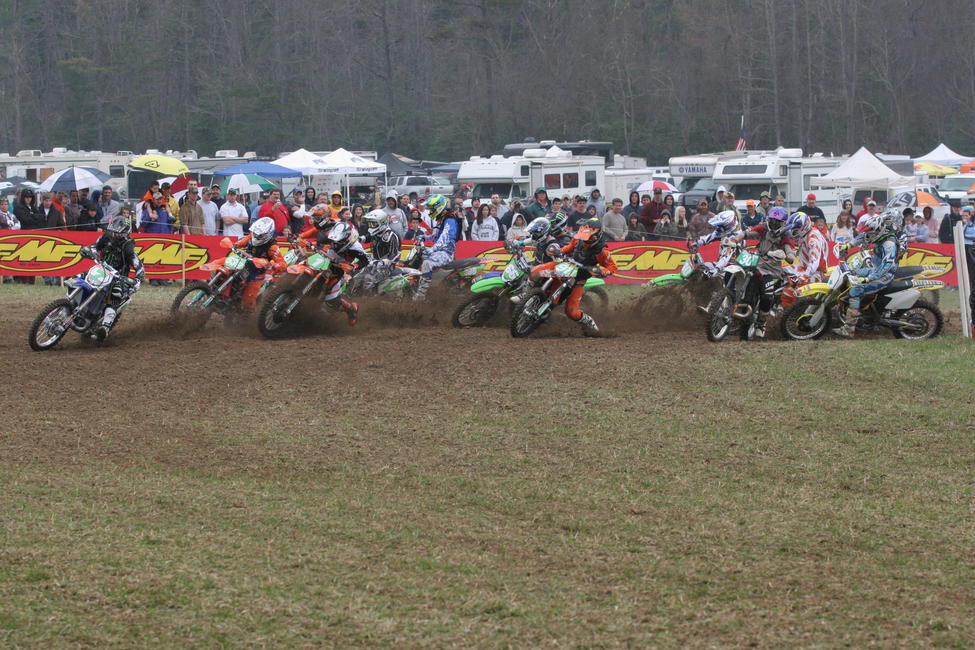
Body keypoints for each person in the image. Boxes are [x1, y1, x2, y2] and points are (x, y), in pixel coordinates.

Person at [529, 217, 617, 335]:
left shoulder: (601, 251)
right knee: (535, 271)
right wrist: (559, 251)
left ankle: (589, 323)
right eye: (585, 237)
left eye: (590, 237)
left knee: (572, 312)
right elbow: (568, 248)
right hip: (566, 266)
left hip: (579, 278)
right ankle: (525, 296)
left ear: (597, 235)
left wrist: (600, 271)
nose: (586, 240)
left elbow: (612, 268)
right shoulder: (578, 239)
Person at [833, 212, 899, 338]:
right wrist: (848, 245)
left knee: (856, 289)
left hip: (883, 275)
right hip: (874, 268)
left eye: (872, 231)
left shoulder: (889, 245)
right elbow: (863, 236)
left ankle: (849, 328)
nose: (870, 233)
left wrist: (868, 279)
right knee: (848, 274)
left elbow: (886, 266)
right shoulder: (878, 234)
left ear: (880, 229)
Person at [736, 207, 796, 338]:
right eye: (772, 221)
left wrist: (786, 255)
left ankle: (761, 323)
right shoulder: (763, 227)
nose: (773, 224)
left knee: (766, 298)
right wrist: (734, 240)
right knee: (747, 295)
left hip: (772, 271)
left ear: (783, 223)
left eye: (777, 222)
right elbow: (746, 233)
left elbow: (791, 253)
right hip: (756, 266)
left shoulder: (786, 235)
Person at [87, 216, 145, 340]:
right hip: (102, 270)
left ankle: (105, 327)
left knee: (116, 293)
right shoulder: (106, 237)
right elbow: (94, 246)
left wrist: (138, 280)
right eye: (113, 231)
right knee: (82, 278)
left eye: (118, 233)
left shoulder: (128, 246)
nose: (114, 235)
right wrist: (89, 251)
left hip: (118, 277)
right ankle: (70, 305)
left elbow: (138, 265)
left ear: (125, 234)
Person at [230, 216, 286, 311]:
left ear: (268, 234)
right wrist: (236, 245)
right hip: (244, 263)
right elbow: (243, 241)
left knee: (248, 301)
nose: (255, 236)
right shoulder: (253, 235)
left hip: (256, 273)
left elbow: (282, 263)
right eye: (255, 233)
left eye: (259, 235)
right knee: (224, 267)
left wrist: (274, 265)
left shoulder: (273, 247)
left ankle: (246, 316)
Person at [415, 194, 463, 300]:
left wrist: (431, 249)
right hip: (438, 251)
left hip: (446, 253)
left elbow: (444, 239)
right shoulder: (441, 219)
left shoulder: (450, 220)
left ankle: (421, 296)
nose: (430, 211)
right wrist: (423, 237)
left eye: (431, 209)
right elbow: (435, 235)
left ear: (438, 207)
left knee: (427, 263)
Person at [319, 221, 366, 325]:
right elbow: (320, 229)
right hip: (324, 259)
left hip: (338, 267)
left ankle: (351, 310)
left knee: (330, 300)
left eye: (339, 242)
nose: (335, 243)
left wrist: (353, 266)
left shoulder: (356, 247)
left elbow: (365, 261)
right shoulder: (333, 234)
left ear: (347, 239)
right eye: (333, 240)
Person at [786, 212, 828, 286]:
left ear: (805, 225)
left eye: (797, 228)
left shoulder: (813, 239)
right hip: (803, 268)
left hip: (814, 274)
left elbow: (814, 263)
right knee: (780, 271)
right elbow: (803, 251)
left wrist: (802, 278)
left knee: (787, 293)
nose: (794, 231)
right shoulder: (806, 234)